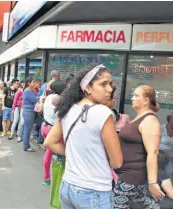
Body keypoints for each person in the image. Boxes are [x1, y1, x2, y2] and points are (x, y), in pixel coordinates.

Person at [44, 64, 123, 208]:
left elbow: (49, 142)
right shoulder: (103, 113)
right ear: (87, 87)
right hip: (95, 192)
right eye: (103, 84)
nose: (110, 89)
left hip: (68, 186)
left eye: (110, 84)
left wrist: (76, 153)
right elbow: (117, 162)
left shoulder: (68, 109)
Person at [114, 85, 164, 209]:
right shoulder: (141, 117)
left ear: (146, 100)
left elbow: (153, 152)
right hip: (129, 175)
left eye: (136, 95)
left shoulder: (150, 121)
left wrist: (152, 182)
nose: (132, 98)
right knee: (144, 202)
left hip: (130, 177)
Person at [41, 80, 66, 185]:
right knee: (64, 151)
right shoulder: (59, 99)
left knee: (48, 152)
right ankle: (62, 175)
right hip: (54, 129)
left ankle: (46, 177)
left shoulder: (47, 97)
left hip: (45, 126)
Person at [22, 78, 38, 152]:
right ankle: (26, 146)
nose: (34, 84)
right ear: (29, 83)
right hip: (29, 112)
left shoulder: (31, 90)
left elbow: (36, 97)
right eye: (33, 82)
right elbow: (35, 99)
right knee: (27, 130)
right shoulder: (27, 91)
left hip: (31, 111)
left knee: (28, 129)